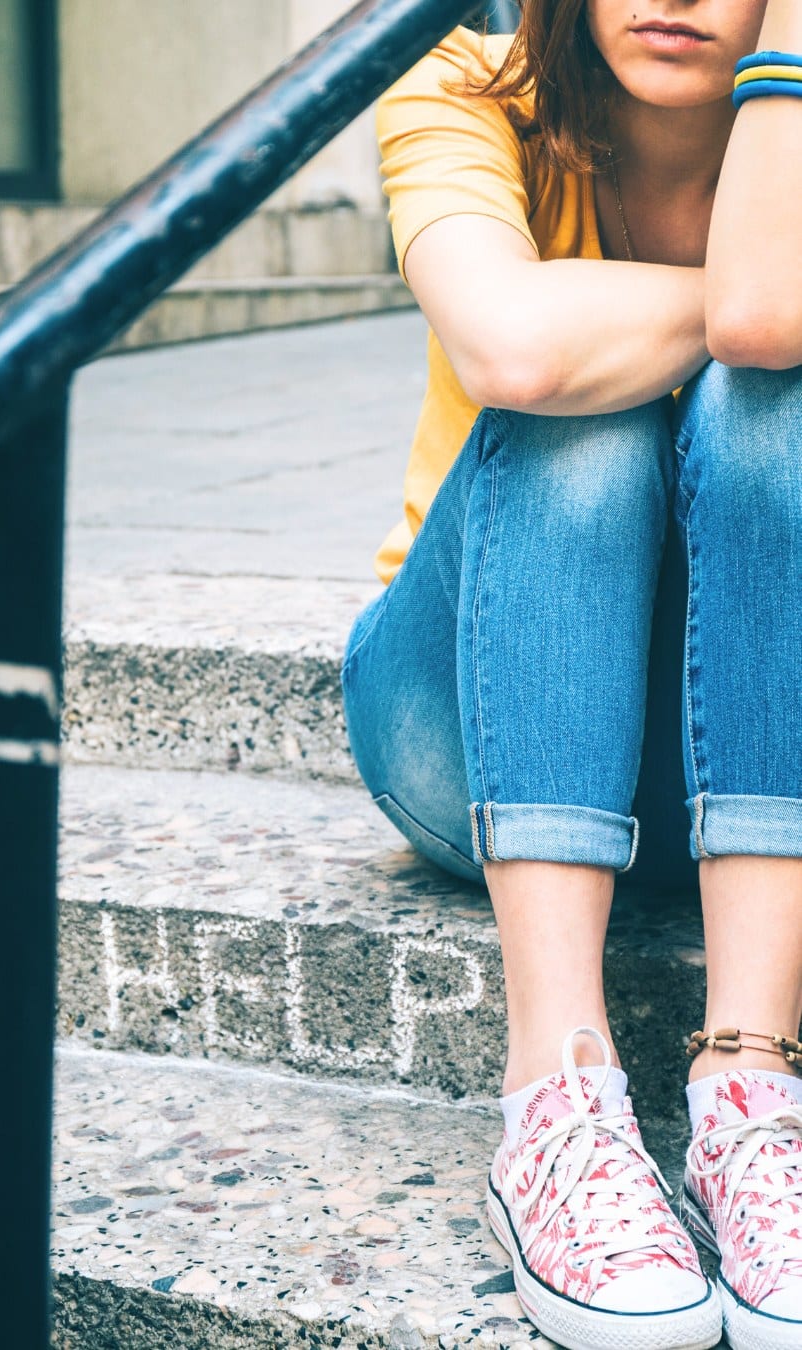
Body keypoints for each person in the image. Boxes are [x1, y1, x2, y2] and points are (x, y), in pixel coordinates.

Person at [340, 3, 802, 1348]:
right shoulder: (461, 85)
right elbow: (518, 347)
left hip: (732, 728)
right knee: (580, 418)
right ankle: (557, 1091)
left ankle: (750, 1091)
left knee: (772, 413)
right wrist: (739, 306)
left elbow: (765, 332)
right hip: (460, 722)